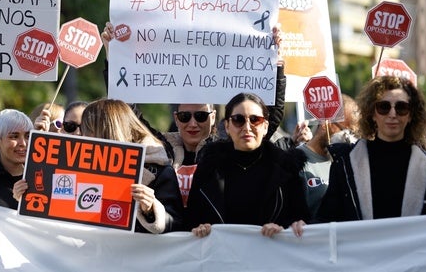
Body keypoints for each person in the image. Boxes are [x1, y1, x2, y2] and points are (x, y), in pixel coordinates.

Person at [101, 21, 287, 206]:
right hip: (169, 228)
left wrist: (276, 63)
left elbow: (268, 118)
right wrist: (115, 59)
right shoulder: (160, 149)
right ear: (176, 119)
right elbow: (128, 117)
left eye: (200, 116)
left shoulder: (227, 148)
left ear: (213, 117)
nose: (192, 123)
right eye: (184, 117)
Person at [316, 76, 426, 223]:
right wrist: (300, 230)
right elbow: (325, 220)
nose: (392, 114)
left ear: (411, 115)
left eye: (401, 107)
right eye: (383, 107)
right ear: (372, 113)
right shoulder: (345, 164)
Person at [186, 92, 308, 238]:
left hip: (272, 257)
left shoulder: (287, 168)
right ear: (226, 126)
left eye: (255, 120)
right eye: (238, 120)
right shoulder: (208, 167)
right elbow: (190, 220)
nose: (247, 127)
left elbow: (300, 219)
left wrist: (283, 228)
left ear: (265, 126)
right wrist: (200, 228)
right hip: (220, 257)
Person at [80, 98, 184, 234]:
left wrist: (150, 209)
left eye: (90, 130)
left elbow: (177, 227)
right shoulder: (80, 167)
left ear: (108, 131)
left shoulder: (159, 170)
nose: (84, 137)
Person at [293, 94, 359, 219]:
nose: (350, 139)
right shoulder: (295, 162)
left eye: (355, 134)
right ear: (325, 123)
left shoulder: (345, 163)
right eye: (346, 131)